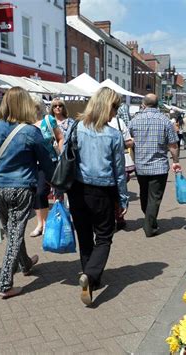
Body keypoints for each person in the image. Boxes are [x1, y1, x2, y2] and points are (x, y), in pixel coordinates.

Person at [0, 87, 55, 299]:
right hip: (21, 189)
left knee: (13, 231)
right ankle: (5, 284)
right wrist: (59, 184)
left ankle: (26, 263)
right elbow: (47, 163)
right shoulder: (31, 132)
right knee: (14, 234)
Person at [66, 87, 128, 306]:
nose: (116, 113)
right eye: (115, 107)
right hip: (102, 190)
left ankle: (90, 279)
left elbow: (66, 157)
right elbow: (119, 170)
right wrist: (123, 198)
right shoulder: (113, 135)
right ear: (107, 107)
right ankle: (91, 276)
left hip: (77, 190)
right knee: (103, 237)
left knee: (84, 235)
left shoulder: (75, 127)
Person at [128, 93, 181, 238]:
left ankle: (149, 219)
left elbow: (128, 139)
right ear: (158, 105)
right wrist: (175, 161)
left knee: (144, 194)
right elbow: (173, 145)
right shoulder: (165, 121)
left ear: (143, 104)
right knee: (154, 197)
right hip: (159, 166)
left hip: (141, 165)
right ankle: (149, 226)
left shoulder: (134, 120)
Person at [28, 99, 65, 238]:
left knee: (57, 192)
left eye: (35, 107)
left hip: (51, 161)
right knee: (38, 194)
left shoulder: (48, 120)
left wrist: (60, 154)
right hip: (34, 164)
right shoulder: (27, 124)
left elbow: (60, 137)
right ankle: (41, 224)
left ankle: (58, 222)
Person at [108, 112, 134, 231]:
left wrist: (118, 144)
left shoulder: (119, 122)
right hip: (104, 165)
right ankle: (113, 218)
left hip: (117, 163)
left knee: (117, 191)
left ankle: (119, 218)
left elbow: (129, 141)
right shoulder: (92, 122)